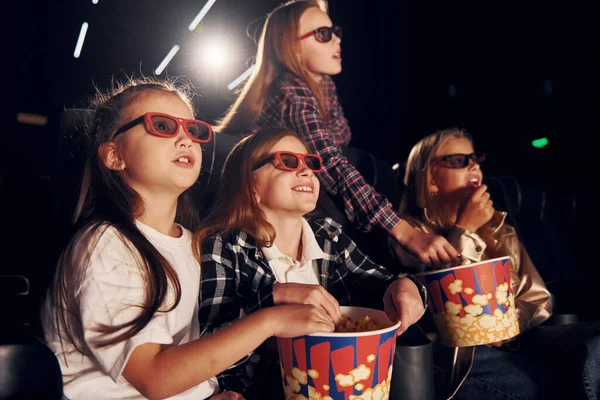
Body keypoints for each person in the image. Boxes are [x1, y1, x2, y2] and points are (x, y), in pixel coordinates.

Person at [42, 77, 335, 400]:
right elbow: (154, 377)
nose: (185, 139)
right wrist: (270, 320)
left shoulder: (196, 245)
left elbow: (196, 357)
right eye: (163, 126)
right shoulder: (104, 245)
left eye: (193, 130)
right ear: (114, 155)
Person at [214, 0, 458, 268]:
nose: (337, 41)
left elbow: (338, 144)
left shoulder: (322, 86)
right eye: (323, 34)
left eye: (335, 32)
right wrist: (405, 232)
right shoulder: (291, 93)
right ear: (290, 45)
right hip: (255, 211)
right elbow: (331, 162)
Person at [194, 127, 428, 399]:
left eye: (310, 163)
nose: (306, 171)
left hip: (347, 382)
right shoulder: (224, 246)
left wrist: (406, 286)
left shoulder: (329, 236)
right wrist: (272, 300)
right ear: (249, 184)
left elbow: (383, 282)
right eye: (288, 161)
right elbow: (209, 350)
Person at [388, 127, 600, 399]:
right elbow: (444, 308)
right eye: (459, 160)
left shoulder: (500, 230)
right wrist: (465, 231)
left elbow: (538, 298)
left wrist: (510, 323)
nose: (474, 165)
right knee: (546, 385)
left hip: (522, 340)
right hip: (461, 357)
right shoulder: (408, 235)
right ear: (430, 179)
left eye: (475, 159)